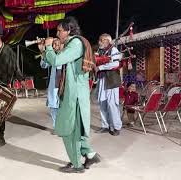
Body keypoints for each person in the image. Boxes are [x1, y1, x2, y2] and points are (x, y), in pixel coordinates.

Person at [43, 16, 100, 173]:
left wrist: (48, 48)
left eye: (59, 30)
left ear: (68, 30)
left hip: (73, 94)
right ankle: (90, 154)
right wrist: (47, 51)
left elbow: (57, 60)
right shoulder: (72, 44)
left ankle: (77, 165)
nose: (57, 33)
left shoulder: (75, 43)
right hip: (74, 92)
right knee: (75, 129)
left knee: (70, 130)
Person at [94, 33, 122, 136]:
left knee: (112, 104)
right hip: (102, 80)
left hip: (111, 80)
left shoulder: (113, 50)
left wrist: (100, 67)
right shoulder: (100, 51)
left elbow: (116, 64)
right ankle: (105, 126)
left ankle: (116, 127)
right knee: (102, 104)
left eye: (101, 40)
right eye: (99, 40)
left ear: (107, 40)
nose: (99, 42)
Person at [38, 38, 63, 132]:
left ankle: (64, 127)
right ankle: (56, 127)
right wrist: (42, 51)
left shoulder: (65, 55)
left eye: (56, 44)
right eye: (53, 44)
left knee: (62, 107)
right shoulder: (53, 56)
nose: (54, 47)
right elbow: (44, 65)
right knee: (53, 106)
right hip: (53, 85)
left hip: (63, 85)